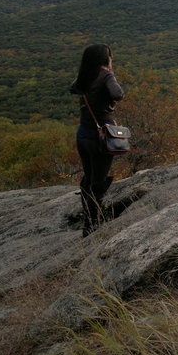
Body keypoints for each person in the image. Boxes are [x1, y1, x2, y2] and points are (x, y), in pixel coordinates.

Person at [69, 43, 124, 237]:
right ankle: (92, 224)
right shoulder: (106, 75)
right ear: (105, 59)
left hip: (83, 134)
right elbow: (118, 94)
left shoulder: (85, 75)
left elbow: (73, 88)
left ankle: (89, 218)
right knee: (98, 182)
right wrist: (109, 74)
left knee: (88, 177)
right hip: (101, 136)